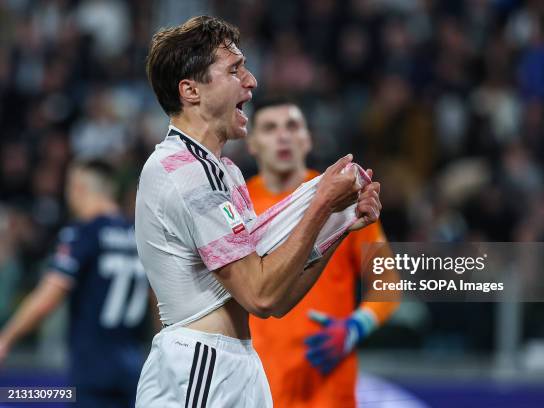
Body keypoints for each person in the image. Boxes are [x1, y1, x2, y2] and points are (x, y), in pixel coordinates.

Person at [135, 15, 382, 408]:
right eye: (235, 69)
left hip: (239, 362)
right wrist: (320, 204)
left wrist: (341, 223)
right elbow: (260, 294)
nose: (251, 82)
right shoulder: (182, 170)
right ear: (191, 90)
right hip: (199, 363)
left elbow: (278, 300)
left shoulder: (225, 172)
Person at [246, 98, 401, 407]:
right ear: (252, 143)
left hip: (327, 391)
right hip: (254, 388)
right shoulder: (238, 205)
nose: (283, 136)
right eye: (270, 128)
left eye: (292, 126)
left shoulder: (344, 200)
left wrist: (356, 327)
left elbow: (389, 285)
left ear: (308, 138)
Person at [0, 160, 150, 408]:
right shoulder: (136, 235)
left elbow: (49, 295)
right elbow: (155, 296)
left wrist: (6, 338)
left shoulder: (84, 232)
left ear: (78, 188)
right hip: (132, 364)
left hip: (92, 366)